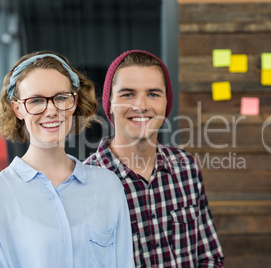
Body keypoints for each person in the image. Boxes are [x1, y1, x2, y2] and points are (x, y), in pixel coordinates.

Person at [0, 51, 134, 268]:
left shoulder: (108, 186)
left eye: (60, 98)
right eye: (36, 100)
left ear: (74, 102)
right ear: (17, 108)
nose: (51, 110)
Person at [84, 50, 224, 267]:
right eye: (128, 94)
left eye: (153, 94)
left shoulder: (185, 167)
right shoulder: (84, 183)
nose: (141, 105)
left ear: (166, 104)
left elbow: (209, 256)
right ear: (109, 103)